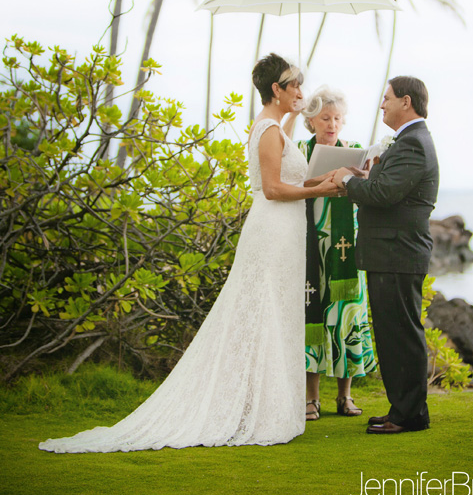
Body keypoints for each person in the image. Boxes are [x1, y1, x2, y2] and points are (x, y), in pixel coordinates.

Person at [39, 53, 339, 453]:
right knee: (260, 312)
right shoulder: (267, 130)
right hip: (271, 231)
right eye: (295, 85)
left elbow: (294, 176)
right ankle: (252, 409)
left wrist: (331, 177)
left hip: (287, 233)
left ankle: (267, 405)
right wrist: (318, 190)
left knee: (277, 313)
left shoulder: (277, 128)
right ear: (276, 90)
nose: (301, 91)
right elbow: (272, 189)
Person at [333, 76, 439, 434]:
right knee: (393, 333)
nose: (382, 104)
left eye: (387, 98)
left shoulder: (413, 144)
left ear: (405, 102)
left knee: (401, 335)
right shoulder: (408, 142)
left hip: (397, 252)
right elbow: (385, 187)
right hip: (391, 253)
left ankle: (409, 415)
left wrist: (347, 181)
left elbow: (382, 194)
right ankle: (404, 409)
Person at [284, 87, 376, 421]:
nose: (332, 124)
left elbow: (365, 192)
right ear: (311, 120)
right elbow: (291, 188)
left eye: (337, 118)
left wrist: (363, 175)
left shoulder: (353, 151)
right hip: (311, 247)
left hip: (346, 248)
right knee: (314, 317)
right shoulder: (300, 151)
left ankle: (345, 396)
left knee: (346, 317)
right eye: (325, 118)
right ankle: (311, 399)